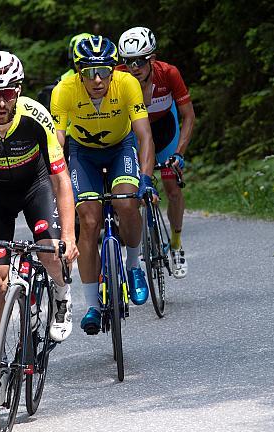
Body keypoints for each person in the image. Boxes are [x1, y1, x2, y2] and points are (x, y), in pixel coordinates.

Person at [0, 51, 78, 406]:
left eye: (8, 93)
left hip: (35, 185)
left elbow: (60, 178)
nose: (1, 102)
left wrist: (68, 237)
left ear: (19, 90)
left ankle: (60, 295)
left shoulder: (36, 116)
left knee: (49, 253)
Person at [50, 35, 158, 335]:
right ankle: (93, 306)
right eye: (88, 72)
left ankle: (134, 266)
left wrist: (146, 180)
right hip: (83, 153)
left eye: (103, 71)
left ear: (114, 69)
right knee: (88, 219)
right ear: (78, 72)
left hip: (120, 146)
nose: (97, 79)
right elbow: (57, 140)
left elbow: (145, 136)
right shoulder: (63, 91)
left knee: (126, 202)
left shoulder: (127, 84)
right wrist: (54, 179)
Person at [117, 27, 195, 278]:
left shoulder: (168, 73)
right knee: (134, 191)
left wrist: (180, 153)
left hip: (164, 131)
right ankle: (141, 243)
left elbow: (188, 116)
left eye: (139, 61)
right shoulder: (117, 77)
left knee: (172, 189)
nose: (133, 67)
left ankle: (175, 243)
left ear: (152, 58)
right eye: (128, 61)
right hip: (134, 134)